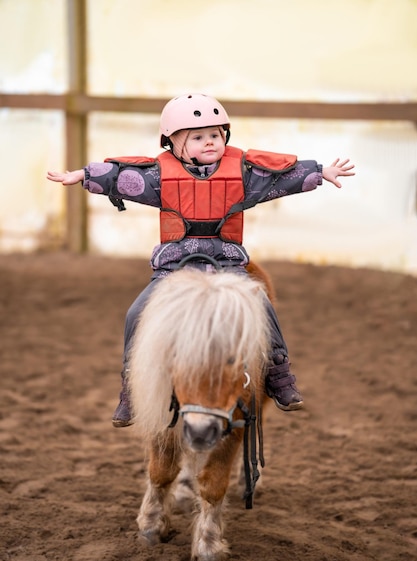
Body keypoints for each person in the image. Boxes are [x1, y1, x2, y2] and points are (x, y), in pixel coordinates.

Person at [47, 93, 355, 427]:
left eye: (215, 134)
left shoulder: (244, 174)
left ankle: (279, 374)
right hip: (174, 269)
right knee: (136, 313)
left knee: (262, 304)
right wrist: (83, 176)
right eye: (197, 137)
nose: (209, 142)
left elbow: (279, 177)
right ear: (174, 144)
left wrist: (321, 172)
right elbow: (123, 178)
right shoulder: (158, 177)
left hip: (228, 264)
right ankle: (130, 387)